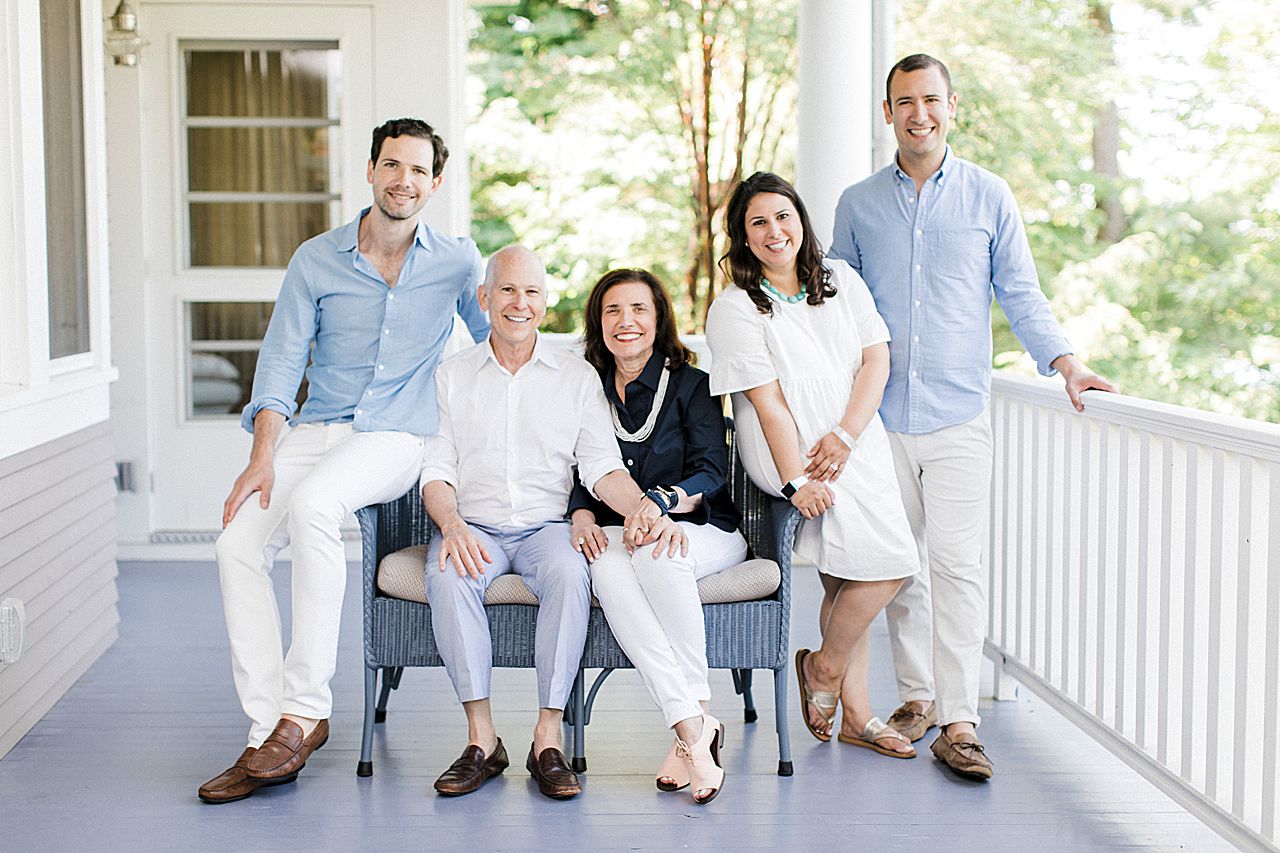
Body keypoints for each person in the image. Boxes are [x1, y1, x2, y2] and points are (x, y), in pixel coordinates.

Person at [829, 53, 1115, 781]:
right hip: (881, 420)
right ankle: (917, 696)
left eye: (930, 100)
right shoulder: (857, 205)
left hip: (960, 415)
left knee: (957, 566)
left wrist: (1065, 362)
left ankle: (960, 720)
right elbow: (834, 304)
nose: (918, 113)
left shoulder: (990, 197)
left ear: (952, 106)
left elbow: (1020, 292)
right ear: (886, 111)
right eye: (904, 101)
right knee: (899, 568)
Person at [198, 118, 490, 805]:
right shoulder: (317, 259)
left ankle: (304, 711)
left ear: (436, 183)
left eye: (418, 170)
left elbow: (490, 347)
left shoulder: (457, 260)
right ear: (370, 170)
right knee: (236, 541)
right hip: (319, 425)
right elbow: (278, 365)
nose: (404, 180)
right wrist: (260, 456)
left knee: (317, 505)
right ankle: (268, 724)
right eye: (393, 165)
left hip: (398, 434)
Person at [420, 246, 688, 800]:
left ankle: (548, 738)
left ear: (546, 302)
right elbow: (436, 469)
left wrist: (646, 508)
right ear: (484, 298)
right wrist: (451, 526)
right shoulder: (452, 376)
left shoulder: (575, 376)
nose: (520, 303)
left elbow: (600, 466)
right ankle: (482, 741)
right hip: (475, 527)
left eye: (532, 292)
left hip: (547, 530)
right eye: (508, 291)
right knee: (447, 575)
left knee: (573, 574)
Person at [706, 171, 920, 761]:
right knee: (864, 567)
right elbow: (766, 402)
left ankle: (835, 685)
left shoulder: (841, 280)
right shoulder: (736, 307)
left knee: (879, 565)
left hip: (852, 435)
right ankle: (840, 691)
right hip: (787, 446)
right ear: (743, 238)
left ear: (800, 219)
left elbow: (876, 359)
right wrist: (797, 479)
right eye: (758, 223)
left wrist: (848, 434)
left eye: (784, 216)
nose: (775, 231)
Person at [568, 268, 746, 805]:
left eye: (639, 309)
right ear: (599, 324)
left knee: (659, 557)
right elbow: (576, 462)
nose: (626, 322)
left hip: (705, 527)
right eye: (612, 311)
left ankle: (688, 719)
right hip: (622, 531)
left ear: (658, 318)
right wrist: (580, 513)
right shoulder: (586, 386)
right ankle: (694, 729)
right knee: (605, 568)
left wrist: (663, 502)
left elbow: (713, 468)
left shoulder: (690, 384)